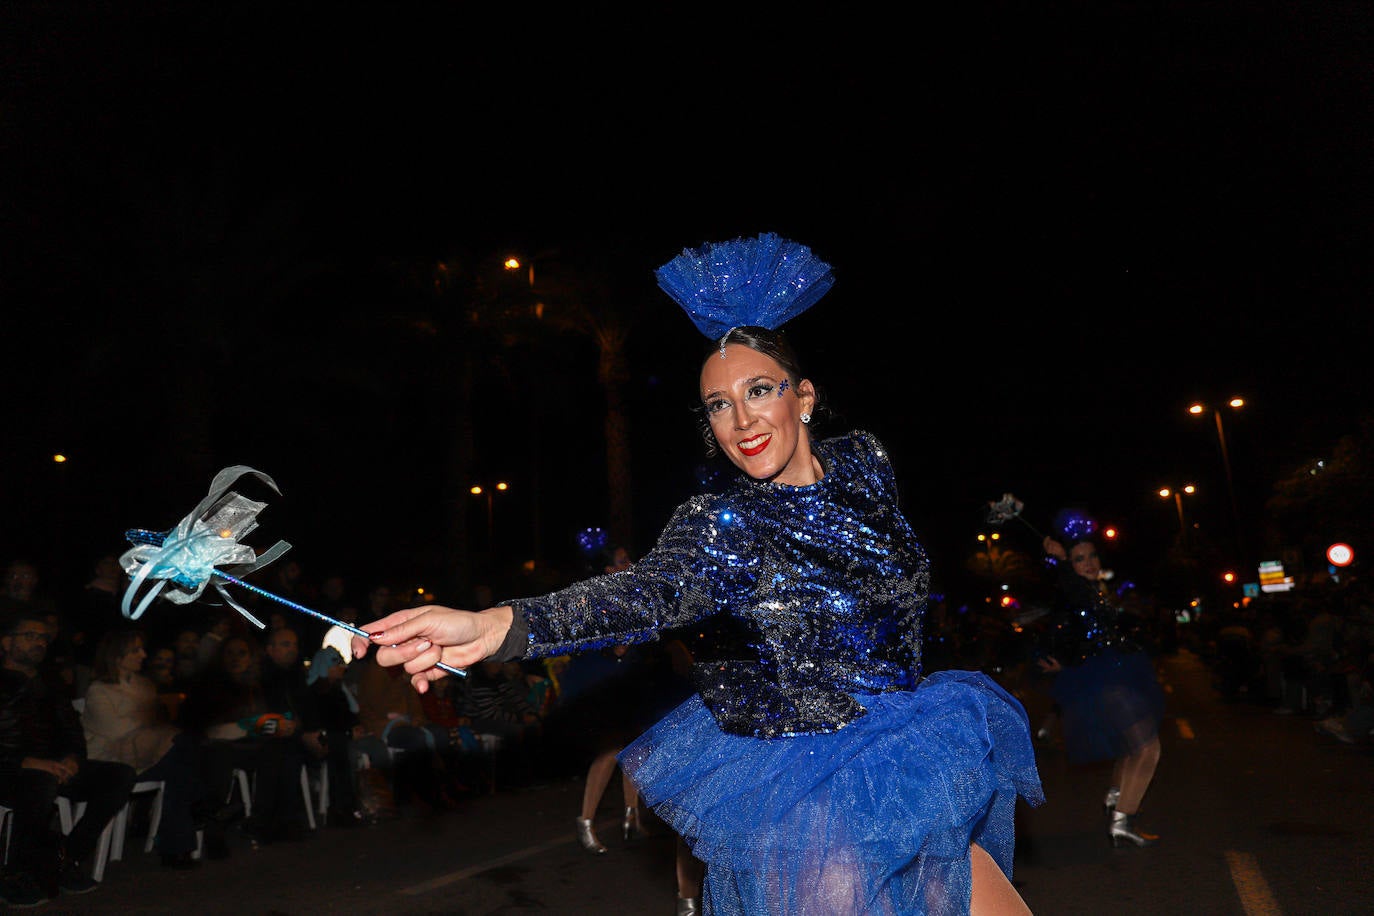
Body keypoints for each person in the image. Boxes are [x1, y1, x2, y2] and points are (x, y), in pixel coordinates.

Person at [352, 233, 1044, 915]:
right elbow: (640, 594)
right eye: (718, 404)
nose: (741, 419)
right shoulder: (724, 523)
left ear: (803, 397)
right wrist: (497, 624)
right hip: (811, 801)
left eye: (758, 390)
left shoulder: (865, 464)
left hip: (911, 764)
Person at [1038, 516, 1165, 849]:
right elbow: (1069, 600)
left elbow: (1079, 632)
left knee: (1131, 746)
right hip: (1105, 679)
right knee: (1147, 748)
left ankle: (1115, 801)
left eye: (1092, 556)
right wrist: (1063, 563)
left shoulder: (1093, 590)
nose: (1089, 563)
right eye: (1080, 559)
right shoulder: (1074, 588)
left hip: (1113, 673)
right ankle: (1123, 819)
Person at [0, 610, 137, 905]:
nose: (39, 642)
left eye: (43, 638)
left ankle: (65, 858)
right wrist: (27, 762)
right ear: (6, 642)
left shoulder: (51, 683)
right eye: (30, 636)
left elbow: (72, 730)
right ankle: (16, 874)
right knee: (39, 781)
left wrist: (73, 758)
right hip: (9, 768)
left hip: (53, 767)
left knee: (120, 775)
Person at [81, 627, 206, 868]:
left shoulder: (144, 686)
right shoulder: (99, 690)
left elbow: (156, 722)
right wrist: (151, 719)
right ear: (117, 656)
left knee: (180, 764)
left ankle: (178, 842)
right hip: (113, 762)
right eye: (135, 650)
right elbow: (118, 730)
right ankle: (197, 811)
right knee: (183, 754)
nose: (143, 655)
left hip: (152, 756)